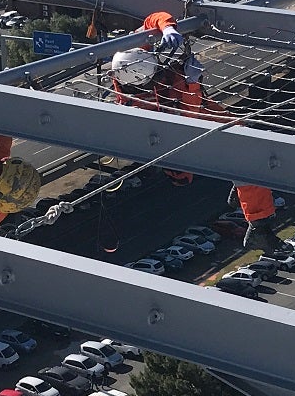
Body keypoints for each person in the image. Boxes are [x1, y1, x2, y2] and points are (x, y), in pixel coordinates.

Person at [111, 13, 277, 243]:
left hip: (187, 105)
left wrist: (167, 28)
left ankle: (246, 197)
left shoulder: (132, 56)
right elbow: (187, 120)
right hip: (180, 128)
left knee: (243, 134)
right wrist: (191, 83)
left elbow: (154, 19)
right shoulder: (140, 107)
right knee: (244, 153)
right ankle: (259, 223)